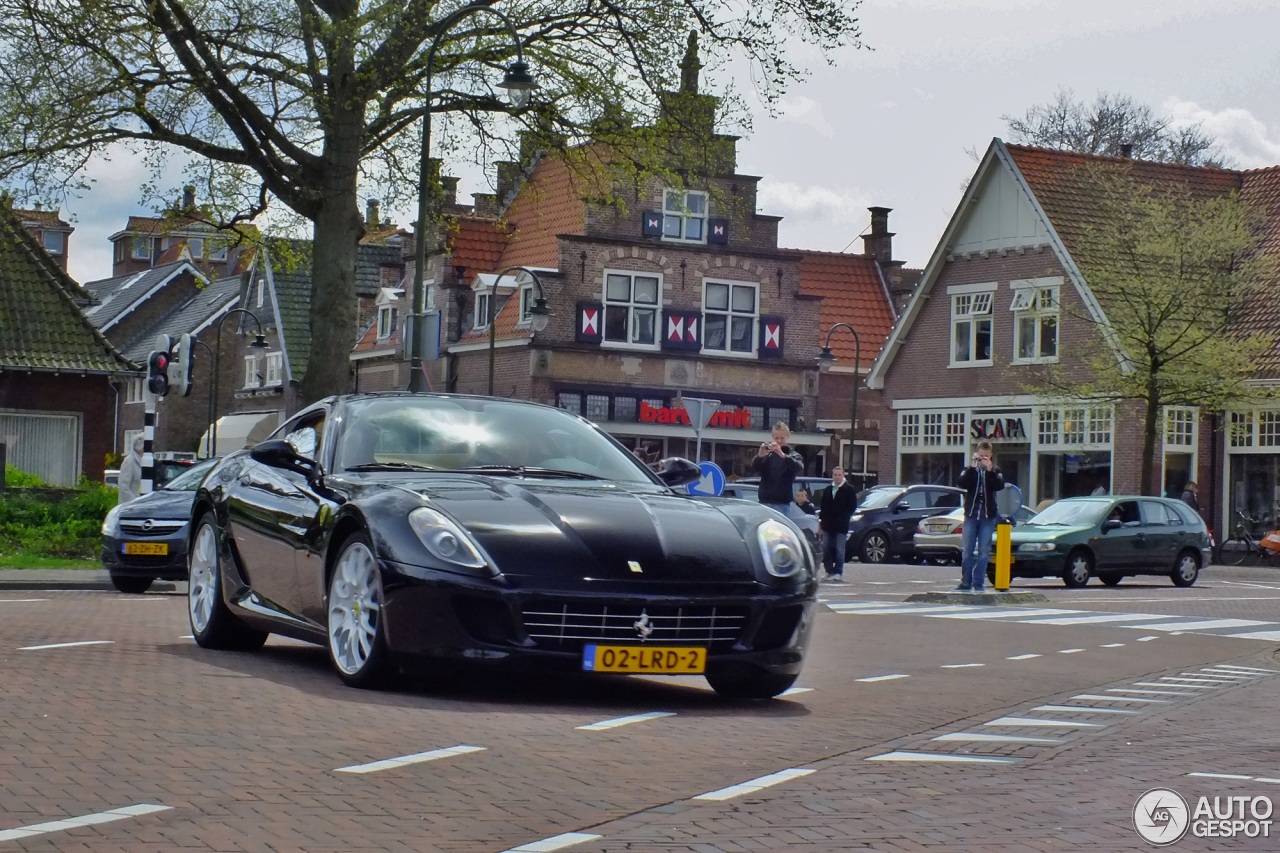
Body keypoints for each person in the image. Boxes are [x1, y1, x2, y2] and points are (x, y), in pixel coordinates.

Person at [956, 440, 1004, 593]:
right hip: (971, 516)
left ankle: (978, 583)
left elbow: (999, 485)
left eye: (985, 456)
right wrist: (972, 468)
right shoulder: (969, 470)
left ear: (990, 456)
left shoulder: (995, 471)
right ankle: (965, 582)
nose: (983, 459)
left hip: (987, 517)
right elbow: (962, 483)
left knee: (984, 552)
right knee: (967, 552)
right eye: (980, 456)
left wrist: (989, 470)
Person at [752, 421, 804, 517]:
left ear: (788, 437)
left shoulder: (794, 455)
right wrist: (759, 456)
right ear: (772, 438)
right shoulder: (768, 454)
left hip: (782, 504)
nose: (779, 441)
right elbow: (755, 469)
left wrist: (782, 455)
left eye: (782, 438)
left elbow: (798, 467)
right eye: (776, 438)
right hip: (765, 501)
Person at [816, 466, 857, 583]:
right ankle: (829, 570)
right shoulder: (828, 489)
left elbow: (851, 506)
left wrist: (843, 518)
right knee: (825, 548)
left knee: (840, 549)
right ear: (832, 476)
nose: (837, 477)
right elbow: (823, 507)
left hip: (841, 525)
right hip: (828, 524)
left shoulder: (849, 489)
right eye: (835, 475)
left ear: (843, 475)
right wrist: (821, 522)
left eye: (839, 475)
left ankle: (838, 572)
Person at [117, 437, 144, 505]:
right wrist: (134, 502)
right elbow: (123, 485)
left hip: (141, 504)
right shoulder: (129, 461)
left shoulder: (145, 461)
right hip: (129, 506)